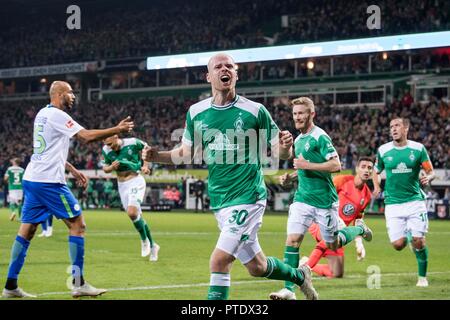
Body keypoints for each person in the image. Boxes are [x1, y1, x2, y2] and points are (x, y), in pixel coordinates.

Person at [142, 53, 318, 300]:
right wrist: (155, 155)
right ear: (208, 76)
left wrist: (286, 146)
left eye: (229, 67)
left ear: (235, 74)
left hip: (248, 196)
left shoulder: (255, 111)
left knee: (219, 261)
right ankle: (300, 276)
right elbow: (184, 153)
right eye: (218, 67)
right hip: (220, 200)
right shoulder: (196, 112)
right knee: (257, 267)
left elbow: (280, 152)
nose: (224, 70)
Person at [2, 80, 134, 299]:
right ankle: (78, 282)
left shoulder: (42, 114)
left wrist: (71, 167)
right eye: (71, 92)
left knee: (27, 231)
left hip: (33, 179)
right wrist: (117, 129)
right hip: (49, 182)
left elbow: (47, 149)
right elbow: (85, 137)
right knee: (78, 225)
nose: (73, 96)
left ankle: (10, 286)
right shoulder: (58, 115)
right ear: (60, 94)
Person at [269, 97, 373, 301]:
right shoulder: (298, 141)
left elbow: (336, 165)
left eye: (301, 113)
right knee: (293, 240)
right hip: (302, 200)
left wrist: (307, 166)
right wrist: (291, 177)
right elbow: (302, 169)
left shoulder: (320, 137)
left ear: (312, 114)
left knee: (333, 244)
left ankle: (360, 228)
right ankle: (289, 290)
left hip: (325, 202)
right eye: (295, 114)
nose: (297, 117)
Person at [276, 157, 374, 286]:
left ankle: (304, 262)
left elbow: (358, 218)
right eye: (363, 166)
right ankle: (304, 271)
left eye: (369, 168)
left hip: (340, 231)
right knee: (326, 239)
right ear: (356, 169)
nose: (366, 170)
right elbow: (323, 190)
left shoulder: (367, 195)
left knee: (337, 273)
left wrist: (359, 243)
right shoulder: (343, 181)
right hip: (320, 220)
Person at [373, 117, 435, 287]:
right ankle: (408, 237)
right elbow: (376, 170)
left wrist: (427, 178)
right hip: (393, 204)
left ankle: (422, 278)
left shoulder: (418, 149)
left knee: (419, 240)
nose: (393, 129)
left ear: (406, 128)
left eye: (397, 126)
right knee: (398, 245)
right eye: (391, 126)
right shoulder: (383, 150)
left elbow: (430, 171)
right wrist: (376, 185)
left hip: (415, 202)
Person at [102, 134, 159, 261]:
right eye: (107, 145)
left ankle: (144, 240)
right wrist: (111, 167)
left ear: (116, 137)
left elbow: (147, 149)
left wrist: (145, 166)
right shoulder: (106, 150)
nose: (110, 147)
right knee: (136, 217)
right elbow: (105, 168)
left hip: (135, 180)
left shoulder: (132, 142)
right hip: (121, 185)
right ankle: (153, 245)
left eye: (111, 144)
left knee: (132, 212)